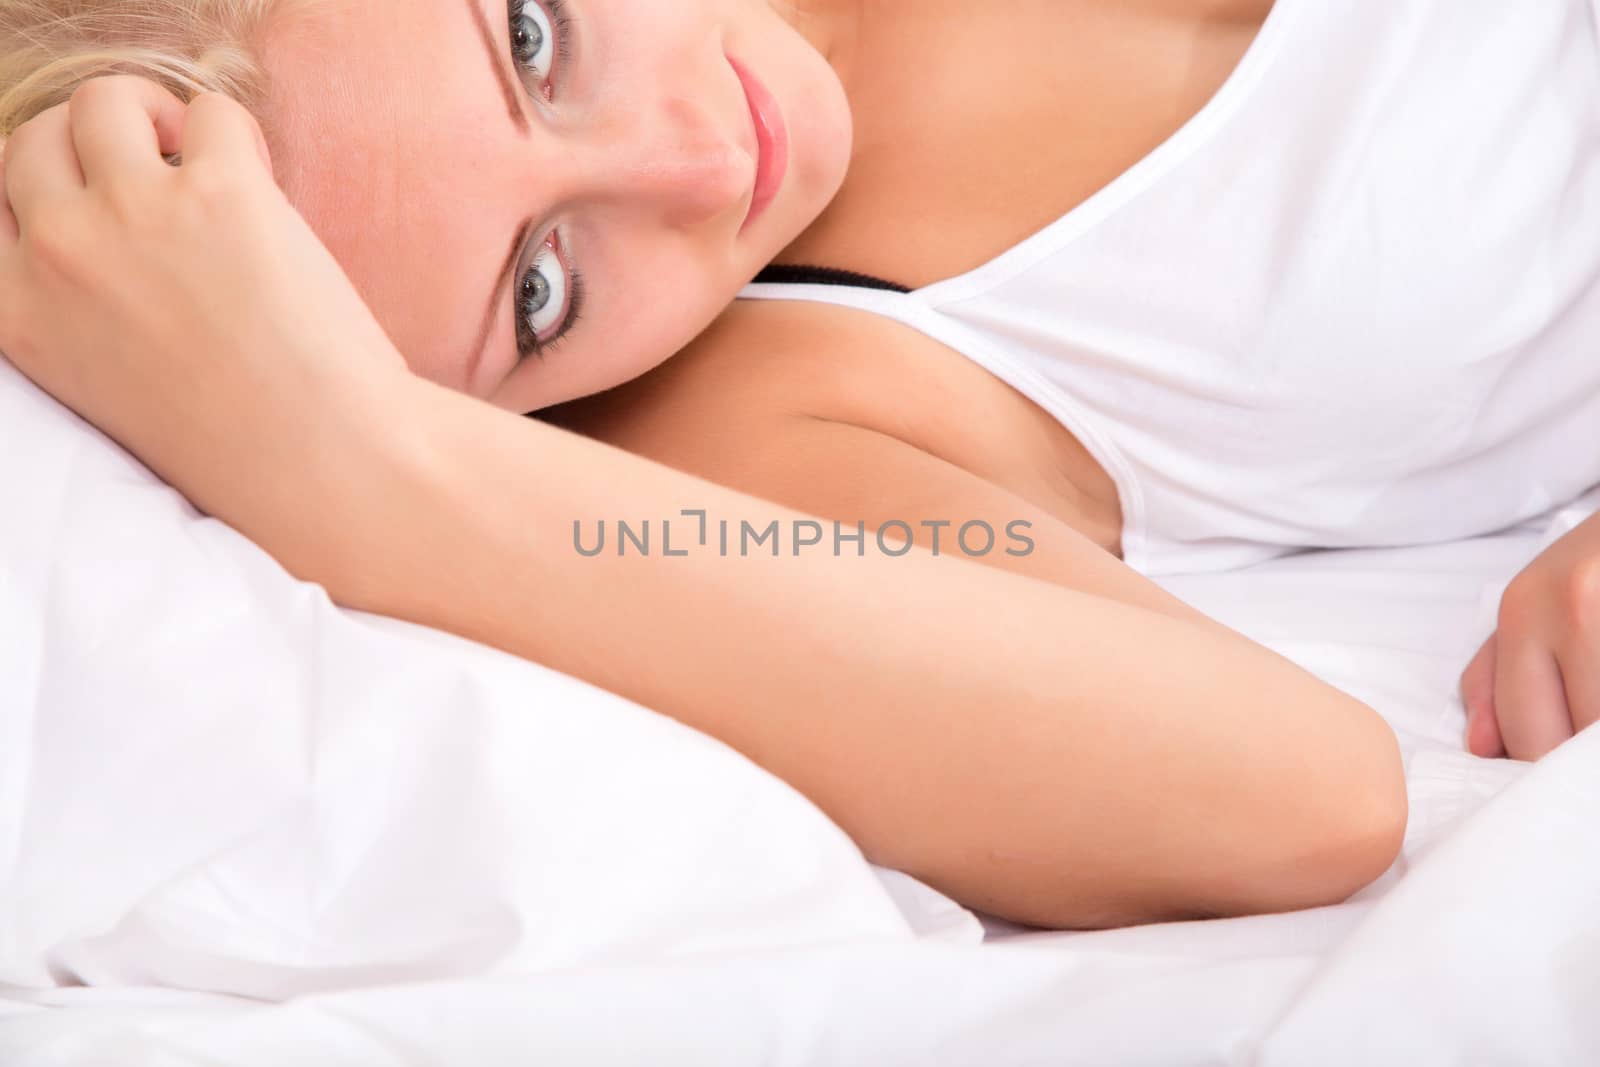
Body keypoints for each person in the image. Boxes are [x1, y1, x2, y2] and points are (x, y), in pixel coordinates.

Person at [4, 0, 1597, 928]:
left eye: (538, 32)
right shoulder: (792, 400)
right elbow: (1305, 795)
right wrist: (355, 463)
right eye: (543, 290)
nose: (698, 164)